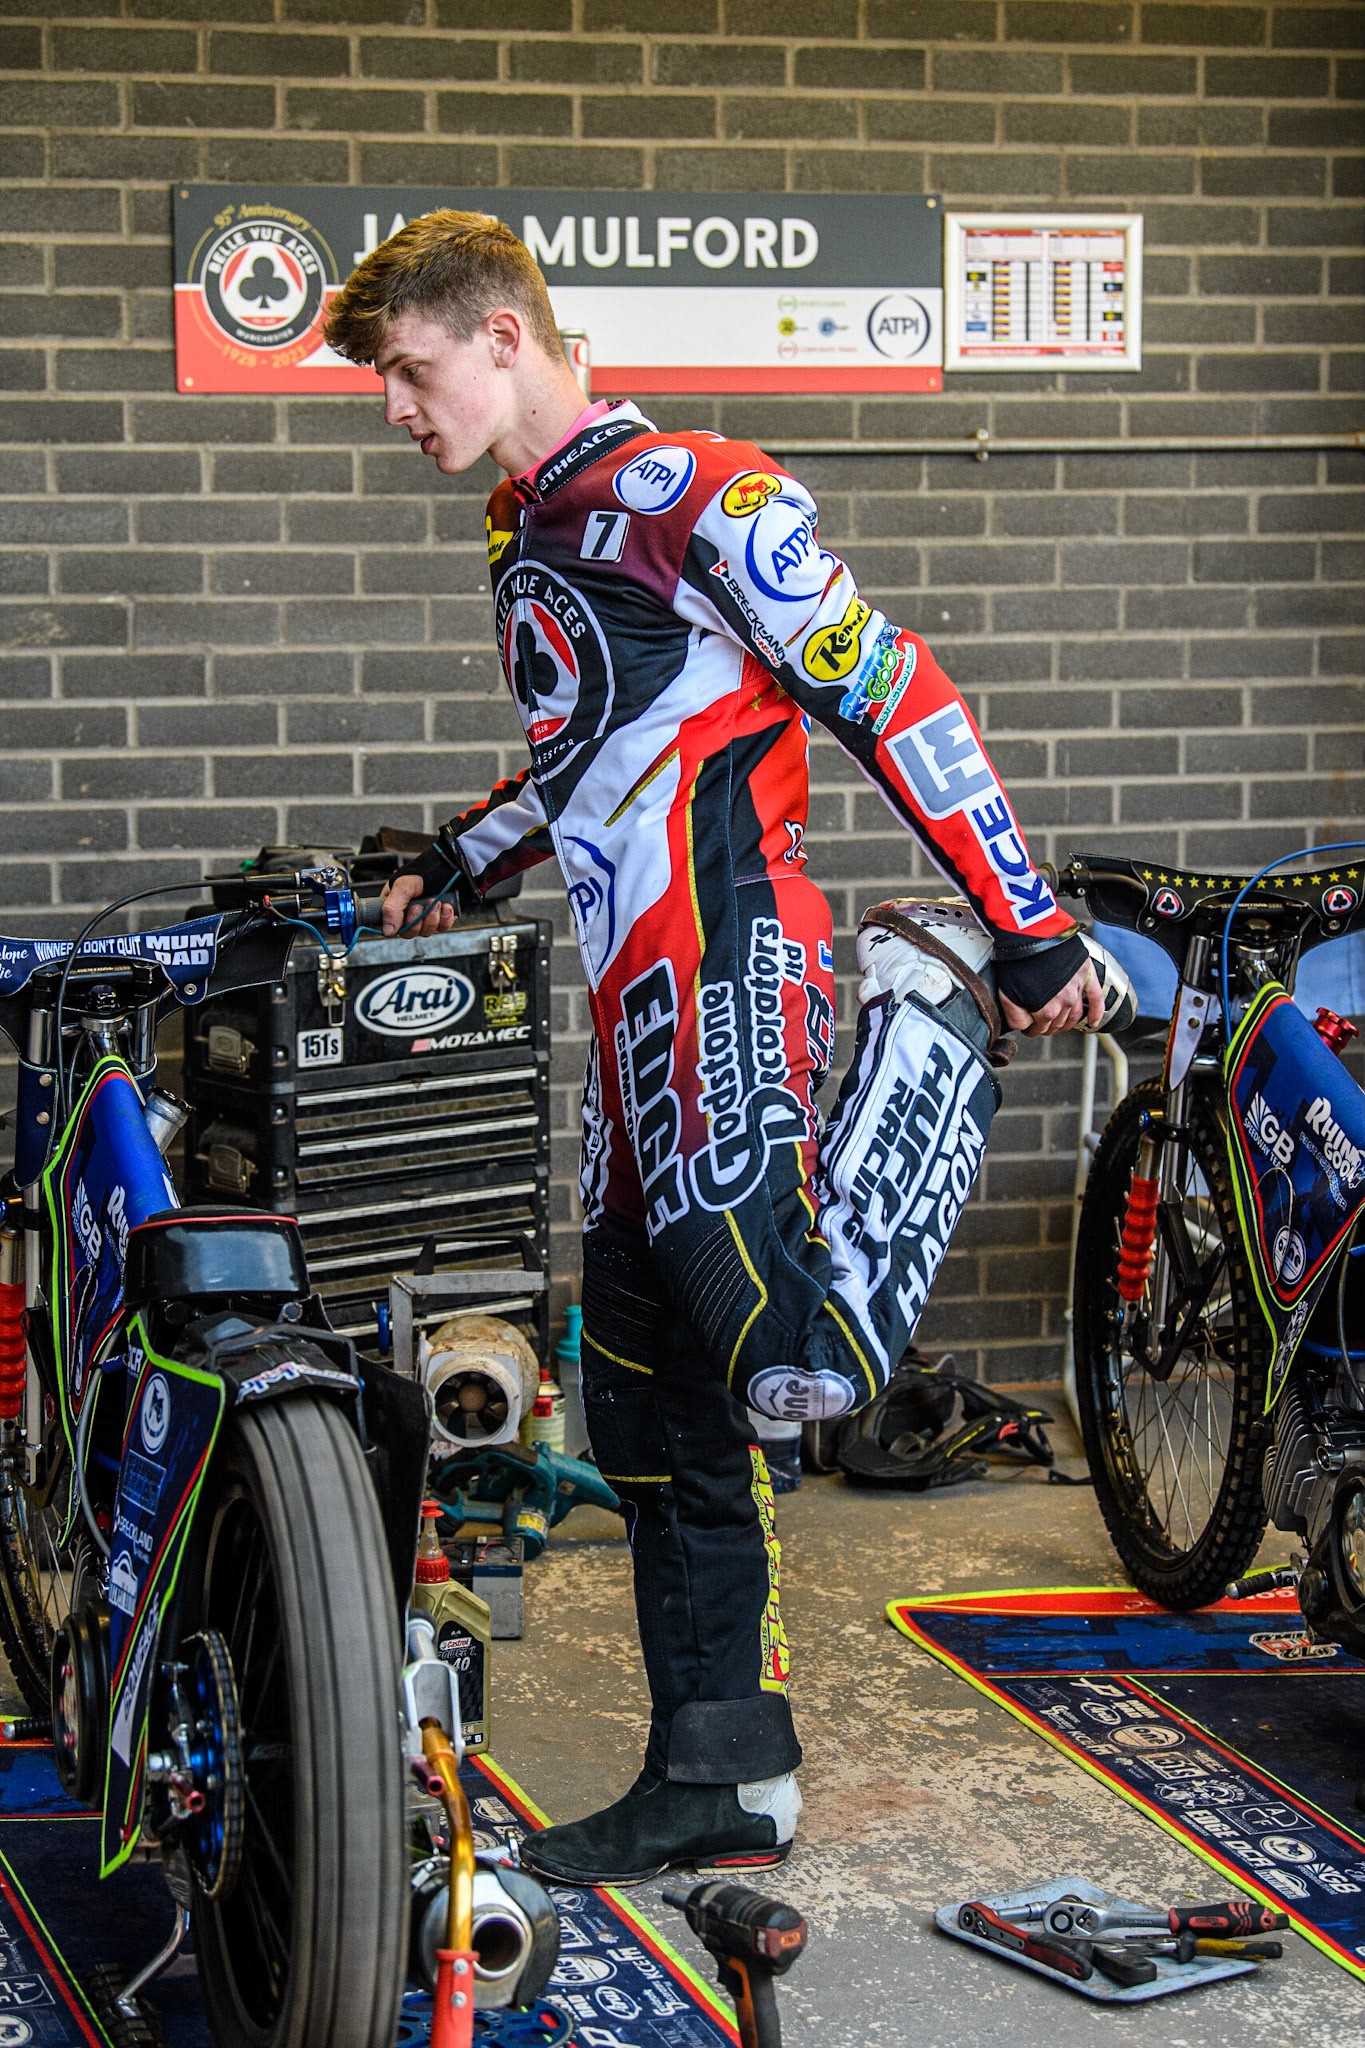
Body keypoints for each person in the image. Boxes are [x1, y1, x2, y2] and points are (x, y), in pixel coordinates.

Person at [324, 212, 1130, 1888]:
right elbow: (584, 750)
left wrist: (1029, 918)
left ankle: (927, 1023)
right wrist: (451, 863)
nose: (395, 408)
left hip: (731, 959)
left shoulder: (689, 490)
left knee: (783, 1362)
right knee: (645, 1395)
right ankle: (723, 1782)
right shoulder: (521, 522)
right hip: (626, 1000)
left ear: (498, 335)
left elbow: (885, 684)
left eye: (407, 371)